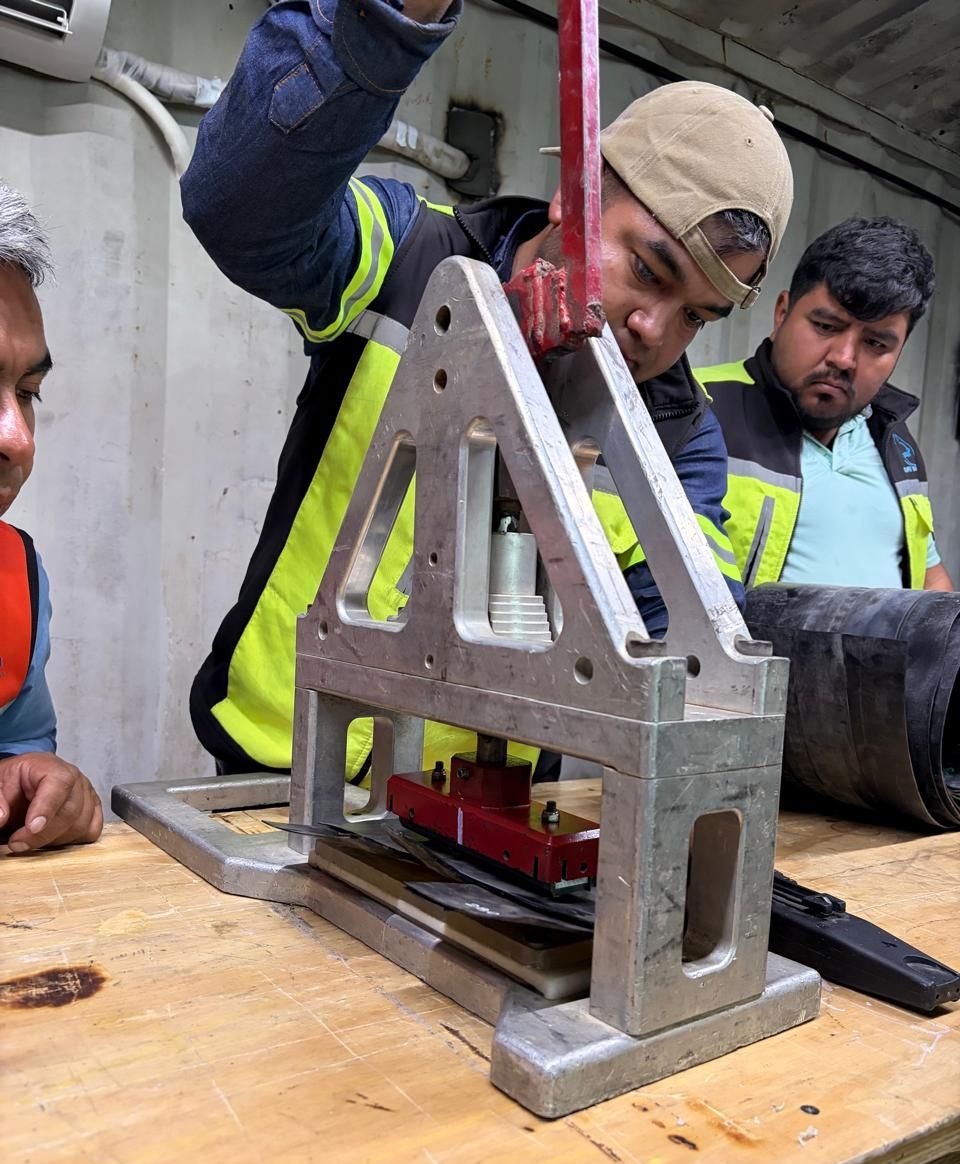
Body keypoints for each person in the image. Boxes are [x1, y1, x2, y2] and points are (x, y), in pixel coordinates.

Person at [181, 0, 794, 780]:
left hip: (492, 836)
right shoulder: (408, 257)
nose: (653, 329)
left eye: (698, 318)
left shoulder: (681, 440)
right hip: (280, 778)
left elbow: (675, 665)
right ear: (576, 193)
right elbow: (239, 213)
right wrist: (382, 24)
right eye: (648, 269)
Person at [697, 216, 953, 592]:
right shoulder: (697, 408)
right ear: (782, 311)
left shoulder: (894, 441)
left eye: (876, 344)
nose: (844, 358)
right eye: (826, 326)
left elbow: (930, 574)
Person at [0, 181, 102, 852]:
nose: (17, 438)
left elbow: (19, 754)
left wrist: (41, 787)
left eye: (27, 393)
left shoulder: (16, 580)